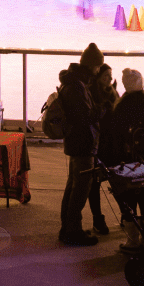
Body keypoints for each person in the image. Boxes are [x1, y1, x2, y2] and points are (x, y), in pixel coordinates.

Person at [103, 68, 144, 219]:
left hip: (127, 157)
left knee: (129, 193)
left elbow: (115, 131)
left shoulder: (120, 105)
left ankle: (130, 223)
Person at [57, 43, 102, 245]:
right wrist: (102, 110)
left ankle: (67, 227)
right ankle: (72, 231)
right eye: (98, 66)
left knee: (73, 186)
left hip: (76, 142)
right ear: (92, 66)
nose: (99, 70)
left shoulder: (74, 81)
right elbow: (84, 117)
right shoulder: (77, 85)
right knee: (80, 188)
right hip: (82, 143)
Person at [86, 61, 119, 235]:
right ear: (98, 77)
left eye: (110, 76)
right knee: (95, 183)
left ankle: (125, 215)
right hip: (98, 144)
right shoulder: (92, 94)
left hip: (111, 144)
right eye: (105, 76)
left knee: (118, 179)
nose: (109, 79)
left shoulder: (113, 93)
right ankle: (98, 218)